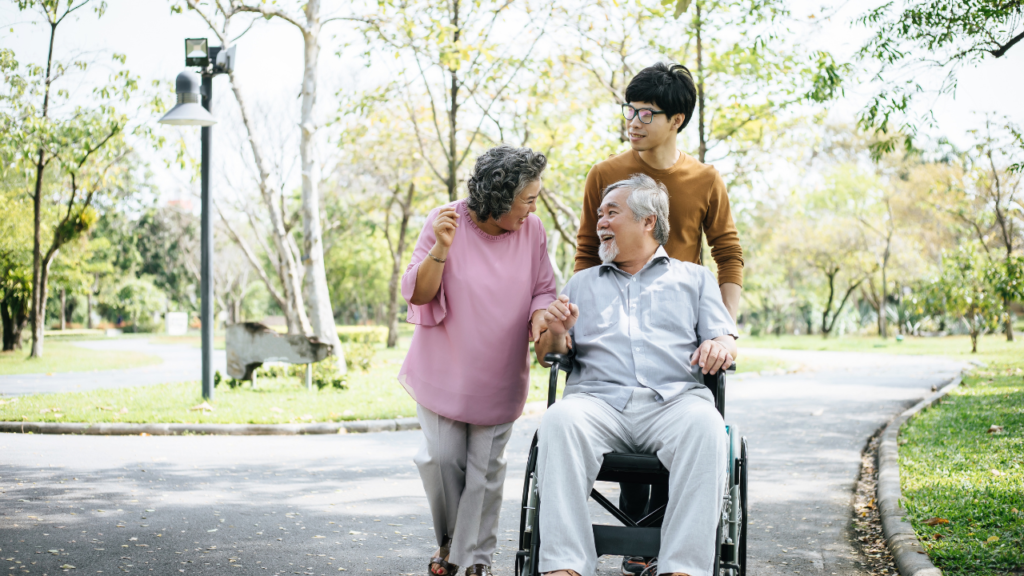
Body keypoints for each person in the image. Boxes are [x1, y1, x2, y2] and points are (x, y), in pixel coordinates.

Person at [573, 62, 744, 576]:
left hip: (682, 324)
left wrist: (722, 330)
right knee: (621, 408)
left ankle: (671, 549)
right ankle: (638, 540)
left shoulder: (704, 179)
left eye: (647, 112)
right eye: (631, 109)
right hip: (616, 316)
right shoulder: (606, 175)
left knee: (685, 427)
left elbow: (728, 255)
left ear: (678, 119)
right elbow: (586, 253)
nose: (634, 120)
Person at [534, 174, 739, 576]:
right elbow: (549, 355)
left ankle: (682, 568)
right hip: (597, 404)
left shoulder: (694, 279)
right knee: (559, 419)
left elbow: (726, 340)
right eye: (599, 215)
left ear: (648, 221)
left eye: (612, 213)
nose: (601, 223)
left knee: (708, 426)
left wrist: (721, 346)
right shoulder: (581, 283)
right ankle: (565, 565)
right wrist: (556, 332)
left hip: (674, 405)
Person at [399, 145, 558, 576]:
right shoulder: (445, 219)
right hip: (443, 366)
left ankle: (471, 559)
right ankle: (453, 542)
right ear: (500, 196)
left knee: (484, 471)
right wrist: (441, 248)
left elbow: (544, 288)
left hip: (499, 369)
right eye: (527, 199)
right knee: (439, 460)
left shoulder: (533, 230)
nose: (533, 207)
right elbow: (417, 292)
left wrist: (542, 317)